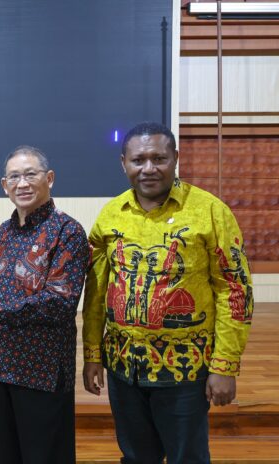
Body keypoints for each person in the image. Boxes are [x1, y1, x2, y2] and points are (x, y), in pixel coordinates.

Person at [82, 122, 253, 464]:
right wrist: (92, 354)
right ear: (124, 163)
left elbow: (234, 290)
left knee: (187, 458)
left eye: (158, 158)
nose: (148, 168)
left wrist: (225, 366)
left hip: (186, 372)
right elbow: (96, 290)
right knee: (135, 457)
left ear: (175, 157)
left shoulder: (210, 211)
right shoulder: (111, 215)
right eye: (138, 160)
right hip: (123, 369)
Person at [0, 145, 90, 463]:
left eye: (30, 175)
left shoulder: (67, 232)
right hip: (2, 365)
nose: (22, 183)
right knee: (9, 455)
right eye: (14, 177)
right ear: (4, 185)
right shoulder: (5, 232)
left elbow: (60, 302)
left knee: (45, 457)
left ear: (49, 178)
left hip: (43, 371)